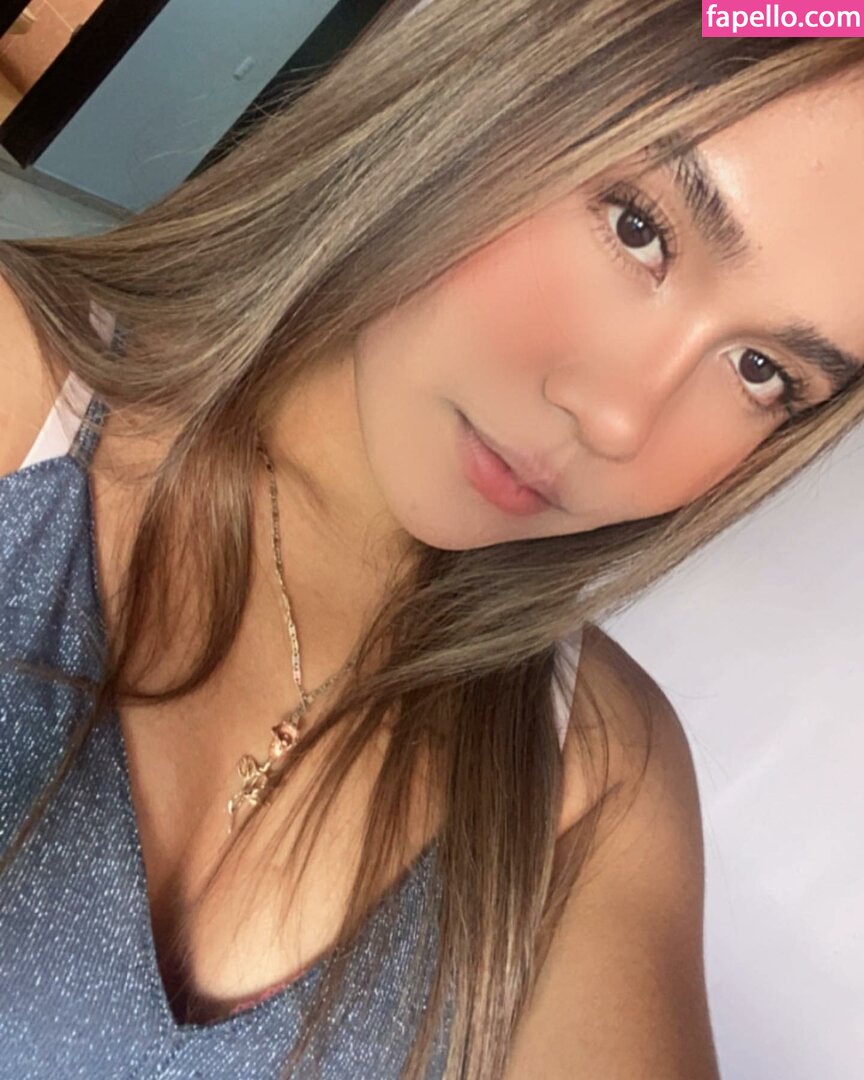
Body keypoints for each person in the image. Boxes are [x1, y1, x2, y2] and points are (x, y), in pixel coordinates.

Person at [0, 1, 862, 1077]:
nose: (620, 421)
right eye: (638, 225)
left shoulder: (598, 777)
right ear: (485, 80)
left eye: (762, 372)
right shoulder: (22, 389)